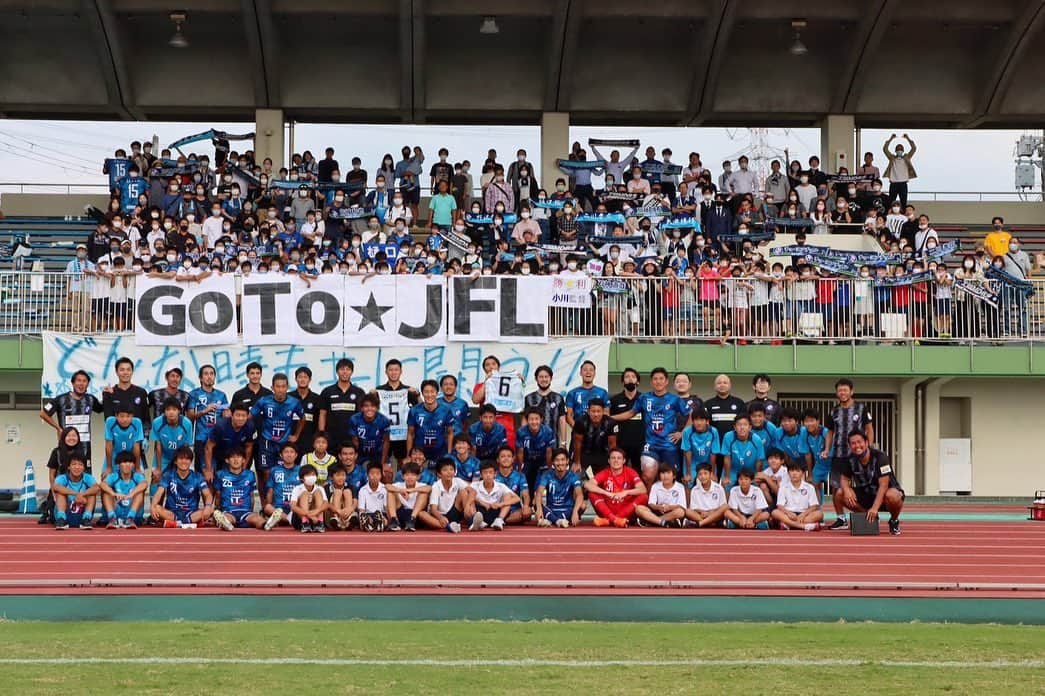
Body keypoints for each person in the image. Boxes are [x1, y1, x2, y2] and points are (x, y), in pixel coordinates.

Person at [608, 367, 689, 488]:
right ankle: (650, 503)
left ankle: (672, 503)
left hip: (669, 445)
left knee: (672, 476)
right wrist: (611, 418)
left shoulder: (675, 399)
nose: (658, 381)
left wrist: (682, 433)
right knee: (647, 476)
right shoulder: (644, 398)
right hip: (650, 445)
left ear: (666, 381)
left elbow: (691, 415)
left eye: (661, 379)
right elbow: (630, 413)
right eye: (655, 379)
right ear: (651, 382)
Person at [825, 378, 874, 530]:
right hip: (839, 455)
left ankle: (867, 516)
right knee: (836, 488)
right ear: (836, 393)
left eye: (845, 390)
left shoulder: (861, 408)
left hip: (858, 456)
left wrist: (868, 449)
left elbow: (869, 429)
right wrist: (827, 449)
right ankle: (841, 518)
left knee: (862, 486)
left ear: (851, 391)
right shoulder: (834, 411)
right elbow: (830, 432)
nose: (842, 393)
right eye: (840, 390)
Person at [833, 431, 905, 535]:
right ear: (849, 446)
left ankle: (894, 521)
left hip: (885, 495)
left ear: (866, 443)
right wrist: (847, 490)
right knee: (840, 493)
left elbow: (883, 485)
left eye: (859, 442)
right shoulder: (848, 459)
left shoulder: (881, 457)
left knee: (893, 495)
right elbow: (844, 479)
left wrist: (875, 508)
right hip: (866, 494)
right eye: (853, 443)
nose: (857, 445)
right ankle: (869, 517)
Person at [250, 373, 305, 492]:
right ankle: (266, 506)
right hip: (267, 442)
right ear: (272, 388)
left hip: (284, 443)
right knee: (266, 474)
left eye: (283, 386)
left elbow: (302, 418)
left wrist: (296, 435)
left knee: (282, 473)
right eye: (278, 387)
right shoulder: (264, 401)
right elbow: (249, 416)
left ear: (287, 387)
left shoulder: (294, 402)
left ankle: (278, 502)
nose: (280, 390)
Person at [40, 370, 104, 467]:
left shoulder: (90, 399)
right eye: (78, 380)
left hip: (85, 447)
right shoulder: (61, 399)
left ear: (87, 384)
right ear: (73, 383)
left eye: (84, 381)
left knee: (85, 474)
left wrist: (108, 394)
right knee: (65, 472)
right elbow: (43, 413)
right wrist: (58, 428)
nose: (81, 384)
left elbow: (101, 408)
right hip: (67, 446)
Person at [584, 448, 648, 528]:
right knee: (592, 493)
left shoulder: (630, 472)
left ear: (624, 461)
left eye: (619, 458)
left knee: (644, 497)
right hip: (607, 510)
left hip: (626, 511)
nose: (616, 460)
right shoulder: (605, 472)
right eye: (613, 458)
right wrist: (607, 493)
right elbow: (587, 485)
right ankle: (615, 520)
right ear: (609, 461)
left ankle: (610, 520)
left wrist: (626, 492)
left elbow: (643, 489)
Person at [152, 446, 212, 528]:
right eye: (181, 458)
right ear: (175, 461)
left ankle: (176, 524)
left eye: (187, 459)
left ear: (190, 461)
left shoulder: (197, 476)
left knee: (211, 509)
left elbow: (208, 494)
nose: (184, 461)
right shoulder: (168, 475)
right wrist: (152, 506)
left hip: (191, 513)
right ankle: (188, 524)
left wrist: (208, 507)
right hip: (172, 513)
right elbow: (159, 493)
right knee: (157, 508)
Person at [374, 358, 420, 466]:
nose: (393, 372)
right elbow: (370, 409)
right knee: (384, 464)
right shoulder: (379, 390)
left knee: (403, 463)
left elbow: (420, 408)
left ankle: (403, 483)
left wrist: (417, 395)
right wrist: (370, 394)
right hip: (385, 434)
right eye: (390, 370)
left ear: (401, 371)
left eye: (396, 370)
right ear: (386, 372)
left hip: (403, 435)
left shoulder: (408, 391)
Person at [39, 426, 88, 524]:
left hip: (77, 487)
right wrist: (53, 491)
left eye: (74, 436)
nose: (71, 438)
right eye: (68, 435)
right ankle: (48, 510)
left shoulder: (82, 451)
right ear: (63, 437)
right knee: (54, 518)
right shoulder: (56, 452)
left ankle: (86, 518)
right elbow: (52, 474)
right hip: (60, 487)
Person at [187, 364, 229, 478]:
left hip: (218, 439)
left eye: (212, 374)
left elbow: (226, 415)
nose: (209, 377)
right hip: (201, 439)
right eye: (206, 374)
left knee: (219, 475)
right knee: (204, 474)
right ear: (200, 378)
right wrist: (204, 411)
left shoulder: (221, 395)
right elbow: (189, 416)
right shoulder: (194, 394)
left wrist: (227, 415)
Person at [211, 446, 266, 531]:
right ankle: (226, 524)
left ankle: (266, 525)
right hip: (228, 511)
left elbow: (252, 496)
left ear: (243, 460)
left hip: (245, 512)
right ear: (227, 460)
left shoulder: (250, 475)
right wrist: (217, 509)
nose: (236, 460)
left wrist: (251, 511)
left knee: (258, 520)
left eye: (239, 457)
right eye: (232, 457)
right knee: (226, 519)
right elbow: (218, 495)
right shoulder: (220, 474)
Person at [471, 355, 520, 449]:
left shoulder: (509, 383)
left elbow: (518, 400)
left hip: (507, 427)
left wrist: (519, 381)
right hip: (487, 428)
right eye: (487, 365)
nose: (491, 367)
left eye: (493, 364)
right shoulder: (481, 385)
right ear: (484, 369)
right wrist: (487, 381)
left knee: (507, 457)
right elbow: (475, 400)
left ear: (498, 367)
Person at [317, 357, 367, 448]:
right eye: (342, 369)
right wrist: (322, 435)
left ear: (352, 372)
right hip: (331, 438)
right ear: (337, 371)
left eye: (348, 369)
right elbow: (322, 414)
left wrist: (359, 436)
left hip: (352, 437)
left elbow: (362, 416)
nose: (345, 372)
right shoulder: (327, 391)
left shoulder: (359, 392)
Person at [417, 458, 474, 533]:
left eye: (451, 469)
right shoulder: (436, 486)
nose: (449, 472)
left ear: (454, 471)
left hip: (454, 513)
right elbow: (433, 509)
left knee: (464, 492)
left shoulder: (458, 480)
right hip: (440, 516)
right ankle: (448, 527)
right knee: (421, 514)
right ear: (439, 474)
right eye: (445, 470)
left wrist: (467, 506)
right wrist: (440, 517)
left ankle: (472, 521)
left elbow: (473, 491)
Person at [407, 380, 456, 465]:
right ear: (422, 393)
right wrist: (408, 455)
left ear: (437, 393)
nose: (429, 395)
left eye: (432, 392)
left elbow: (450, 433)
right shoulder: (414, 410)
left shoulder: (446, 410)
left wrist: (449, 453)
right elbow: (410, 434)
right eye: (426, 392)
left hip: (440, 453)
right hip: (419, 454)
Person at [534, 448, 585, 528]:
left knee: (582, 505)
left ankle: (551, 520)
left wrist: (575, 512)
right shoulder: (547, 475)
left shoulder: (573, 476)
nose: (560, 463)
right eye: (557, 460)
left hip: (568, 510)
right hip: (552, 509)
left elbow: (580, 495)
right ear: (553, 462)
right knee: (535, 503)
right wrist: (539, 510)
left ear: (567, 461)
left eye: (562, 460)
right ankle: (558, 521)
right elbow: (539, 493)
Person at [570, 398, 618, 479]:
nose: (596, 414)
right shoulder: (580, 422)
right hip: (583, 452)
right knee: (576, 477)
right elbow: (577, 443)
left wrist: (612, 462)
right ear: (588, 412)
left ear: (603, 411)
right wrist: (577, 462)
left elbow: (612, 445)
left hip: (602, 453)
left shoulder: (611, 423)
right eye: (593, 411)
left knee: (606, 479)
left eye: (598, 411)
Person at [204, 404, 256, 480]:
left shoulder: (250, 426)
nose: (241, 418)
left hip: (234, 456)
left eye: (243, 416)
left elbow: (249, 447)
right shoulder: (220, 426)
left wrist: (243, 468)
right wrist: (208, 470)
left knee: (237, 477)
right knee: (211, 479)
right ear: (231, 415)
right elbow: (208, 447)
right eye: (238, 415)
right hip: (216, 454)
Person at [771, 460, 823, 531]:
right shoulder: (783, 487)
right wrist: (789, 513)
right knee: (775, 512)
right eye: (792, 471)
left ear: (802, 473)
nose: (794, 473)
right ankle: (804, 526)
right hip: (788, 514)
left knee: (819, 514)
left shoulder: (809, 487)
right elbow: (780, 506)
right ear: (788, 473)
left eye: (797, 471)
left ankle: (788, 524)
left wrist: (803, 514)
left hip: (804, 514)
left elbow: (813, 506)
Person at [51, 453, 99, 530]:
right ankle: (61, 519)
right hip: (66, 514)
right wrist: (76, 494)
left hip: (82, 515)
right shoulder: (62, 478)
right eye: (74, 464)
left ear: (84, 468)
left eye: (80, 465)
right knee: (60, 493)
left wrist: (83, 494)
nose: (77, 467)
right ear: (69, 467)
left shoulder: (88, 477)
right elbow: (56, 487)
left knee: (92, 493)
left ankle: (86, 519)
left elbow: (97, 488)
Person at [469, 460, 521, 531]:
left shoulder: (501, 486)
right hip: (480, 513)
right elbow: (466, 493)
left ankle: (499, 520)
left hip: (495, 512)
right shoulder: (475, 485)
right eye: (485, 472)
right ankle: (477, 521)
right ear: (481, 474)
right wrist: (481, 502)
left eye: (490, 472)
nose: (488, 475)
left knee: (507, 495)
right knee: (470, 498)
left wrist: (500, 504)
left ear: (495, 474)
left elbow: (517, 498)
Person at [100, 451, 147, 529]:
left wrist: (131, 494)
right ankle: (112, 519)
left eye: (130, 462)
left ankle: (130, 519)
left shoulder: (137, 476)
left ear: (134, 465)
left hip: (133, 513)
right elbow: (102, 484)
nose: (128, 465)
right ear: (118, 464)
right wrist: (114, 494)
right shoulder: (114, 476)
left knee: (140, 492)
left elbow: (144, 484)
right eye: (124, 462)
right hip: (117, 510)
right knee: (106, 493)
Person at [609, 368, 644, 470]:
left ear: (637, 381)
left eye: (633, 377)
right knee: (620, 472)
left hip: (640, 444)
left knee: (639, 473)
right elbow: (609, 422)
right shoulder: (614, 400)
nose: (630, 379)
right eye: (627, 377)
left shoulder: (644, 398)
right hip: (621, 444)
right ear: (622, 381)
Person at [349, 395, 392, 478]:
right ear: (361, 408)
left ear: (377, 408)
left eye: (373, 406)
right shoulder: (354, 419)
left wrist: (382, 463)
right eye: (366, 406)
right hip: (361, 453)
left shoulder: (384, 420)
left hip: (378, 453)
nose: (369, 409)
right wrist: (354, 462)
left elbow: (386, 441)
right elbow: (355, 442)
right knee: (355, 474)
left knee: (387, 473)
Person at [261, 443, 302, 530]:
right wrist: (268, 504)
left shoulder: (301, 470)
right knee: (267, 507)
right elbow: (270, 490)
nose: (289, 454)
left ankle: (282, 519)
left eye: (291, 452)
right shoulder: (275, 470)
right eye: (286, 452)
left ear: (296, 455)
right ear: (281, 455)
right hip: (278, 508)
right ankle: (289, 519)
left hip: (295, 507)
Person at [523, 365, 567, 445]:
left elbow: (562, 420)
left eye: (546, 377)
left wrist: (563, 443)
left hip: (553, 443)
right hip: (533, 444)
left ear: (551, 379)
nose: (544, 379)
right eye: (541, 377)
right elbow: (525, 420)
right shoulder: (529, 398)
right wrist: (523, 441)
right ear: (536, 379)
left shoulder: (558, 398)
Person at [149, 399, 193, 477]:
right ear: (164, 412)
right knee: (156, 478)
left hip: (180, 456)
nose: (171, 412)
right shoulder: (157, 422)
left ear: (179, 411)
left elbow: (186, 447)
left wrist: (183, 464)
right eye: (168, 409)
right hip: (163, 457)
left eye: (174, 409)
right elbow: (158, 446)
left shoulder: (187, 423)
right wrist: (159, 469)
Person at [635, 463, 687, 528]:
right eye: (662, 473)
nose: (665, 476)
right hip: (658, 510)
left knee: (680, 512)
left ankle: (651, 521)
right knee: (639, 508)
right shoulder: (655, 486)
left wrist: (670, 507)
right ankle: (663, 522)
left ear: (674, 476)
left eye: (668, 473)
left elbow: (682, 506)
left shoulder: (680, 487)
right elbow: (651, 504)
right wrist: (659, 507)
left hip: (672, 512)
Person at [720, 415, 765, 488]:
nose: (742, 427)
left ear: (750, 427)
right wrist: (727, 476)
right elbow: (727, 458)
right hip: (733, 470)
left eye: (745, 424)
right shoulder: (728, 437)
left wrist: (756, 476)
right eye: (739, 425)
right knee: (726, 484)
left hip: (751, 471)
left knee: (757, 487)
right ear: (734, 427)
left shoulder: (757, 440)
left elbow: (759, 461)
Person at [515, 408, 555, 490]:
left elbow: (549, 452)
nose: (534, 422)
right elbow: (520, 452)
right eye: (531, 419)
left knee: (544, 481)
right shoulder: (521, 432)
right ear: (527, 420)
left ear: (541, 419)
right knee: (522, 481)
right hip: (527, 460)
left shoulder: (548, 431)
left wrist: (550, 469)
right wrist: (520, 470)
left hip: (542, 460)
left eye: (536, 419)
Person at [680, 408, 720, 488]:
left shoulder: (713, 431)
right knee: (688, 482)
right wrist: (688, 473)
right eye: (696, 420)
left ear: (707, 421)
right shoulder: (687, 432)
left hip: (707, 462)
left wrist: (712, 473)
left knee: (711, 482)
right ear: (692, 421)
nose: (698, 423)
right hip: (692, 462)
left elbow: (713, 453)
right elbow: (687, 452)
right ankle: (688, 500)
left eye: (702, 420)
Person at [386, 461, 430, 532]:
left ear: (418, 476)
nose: (410, 477)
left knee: (423, 493)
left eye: (413, 475)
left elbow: (429, 488)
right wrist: (400, 491)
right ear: (403, 476)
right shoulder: (398, 485)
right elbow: (387, 486)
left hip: (416, 517)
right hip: (401, 514)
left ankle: (412, 520)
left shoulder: (421, 485)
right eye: (407, 475)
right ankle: (394, 520)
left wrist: (411, 490)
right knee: (391, 492)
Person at [564, 360, 610, 428]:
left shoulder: (602, 392)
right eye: (585, 370)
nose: (588, 372)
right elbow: (569, 416)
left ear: (594, 373)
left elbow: (606, 414)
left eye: (591, 370)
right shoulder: (572, 393)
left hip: (598, 433)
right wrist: (577, 429)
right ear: (580, 373)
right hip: (579, 433)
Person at [103, 405, 144, 479]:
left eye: (128, 416)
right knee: (105, 477)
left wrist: (137, 468)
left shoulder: (137, 422)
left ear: (132, 416)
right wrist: (109, 467)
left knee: (140, 478)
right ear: (116, 416)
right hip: (114, 455)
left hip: (131, 456)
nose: (125, 419)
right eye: (122, 416)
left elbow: (136, 446)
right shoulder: (110, 422)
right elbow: (109, 445)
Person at [495, 445, 531, 525]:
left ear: (513, 459)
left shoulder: (520, 476)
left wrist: (525, 506)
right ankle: (502, 519)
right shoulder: (493, 475)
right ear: (498, 460)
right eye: (503, 456)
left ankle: (501, 520)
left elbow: (525, 495)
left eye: (509, 456)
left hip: (514, 510)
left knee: (528, 512)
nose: (506, 459)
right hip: (498, 508)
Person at [684, 462, 728, 528]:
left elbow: (723, 506)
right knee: (688, 511)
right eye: (700, 474)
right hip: (701, 515)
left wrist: (710, 513)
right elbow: (693, 508)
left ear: (710, 474)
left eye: (705, 473)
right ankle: (710, 523)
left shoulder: (719, 488)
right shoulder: (694, 490)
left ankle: (701, 523)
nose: (703, 476)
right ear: (697, 476)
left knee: (726, 507)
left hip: (714, 513)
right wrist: (703, 512)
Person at [288, 463, 329, 533]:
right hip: (299, 519)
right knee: (305, 494)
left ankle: (320, 523)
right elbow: (293, 506)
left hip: (316, 518)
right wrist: (309, 515)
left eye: (313, 475)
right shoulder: (297, 488)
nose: (311, 477)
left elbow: (326, 504)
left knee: (317, 492)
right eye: (308, 475)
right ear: (302, 478)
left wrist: (317, 511)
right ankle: (305, 523)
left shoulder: (320, 488)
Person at [292, 367, 322, 456]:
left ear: (310, 380)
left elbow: (319, 420)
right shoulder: (289, 398)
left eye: (305, 377)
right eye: (300, 377)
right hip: (291, 442)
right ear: (295, 379)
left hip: (309, 442)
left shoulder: (316, 398)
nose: (302, 379)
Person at [324, 463, 357, 531]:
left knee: (347, 491)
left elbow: (355, 502)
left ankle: (348, 520)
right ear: (331, 477)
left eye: (343, 475)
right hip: (332, 517)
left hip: (347, 514)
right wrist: (338, 511)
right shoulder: (326, 488)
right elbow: (326, 504)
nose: (341, 478)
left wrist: (349, 510)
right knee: (338, 492)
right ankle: (336, 519)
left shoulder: (351, 487)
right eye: (338, 475)